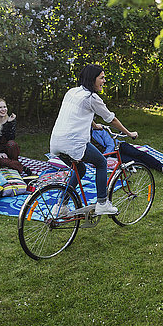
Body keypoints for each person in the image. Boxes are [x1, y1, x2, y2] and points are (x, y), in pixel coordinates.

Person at [50, 64, 138, 216]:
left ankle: (60, 206)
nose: (104, 81)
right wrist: (129, 133)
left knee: (80, 169)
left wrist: (94, 125)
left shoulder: (72, 92)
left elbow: (77, 113)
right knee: (101, 163)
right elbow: (112, 119)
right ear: (93, 79)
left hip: (57, 142)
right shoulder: (92, 98)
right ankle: (103, 203)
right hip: (74, 143)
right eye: (102, 78)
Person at [90, 125, 163, 175]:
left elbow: (110, 144)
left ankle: (162, 167)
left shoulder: (98, 130)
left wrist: (103, 156)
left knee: (138, 153)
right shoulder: (82, 137)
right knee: (133, 161)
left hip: (119, 146)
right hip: (112, 155)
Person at [0, 98, 30, 175]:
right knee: (3, 161)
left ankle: (13, 163)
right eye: (0, 107)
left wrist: (9, 123)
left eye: (4, 107)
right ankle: (20, 167)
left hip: (9, 149)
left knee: (12, 144)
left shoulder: (10, 119)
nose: (3, 109)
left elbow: (11, 138)